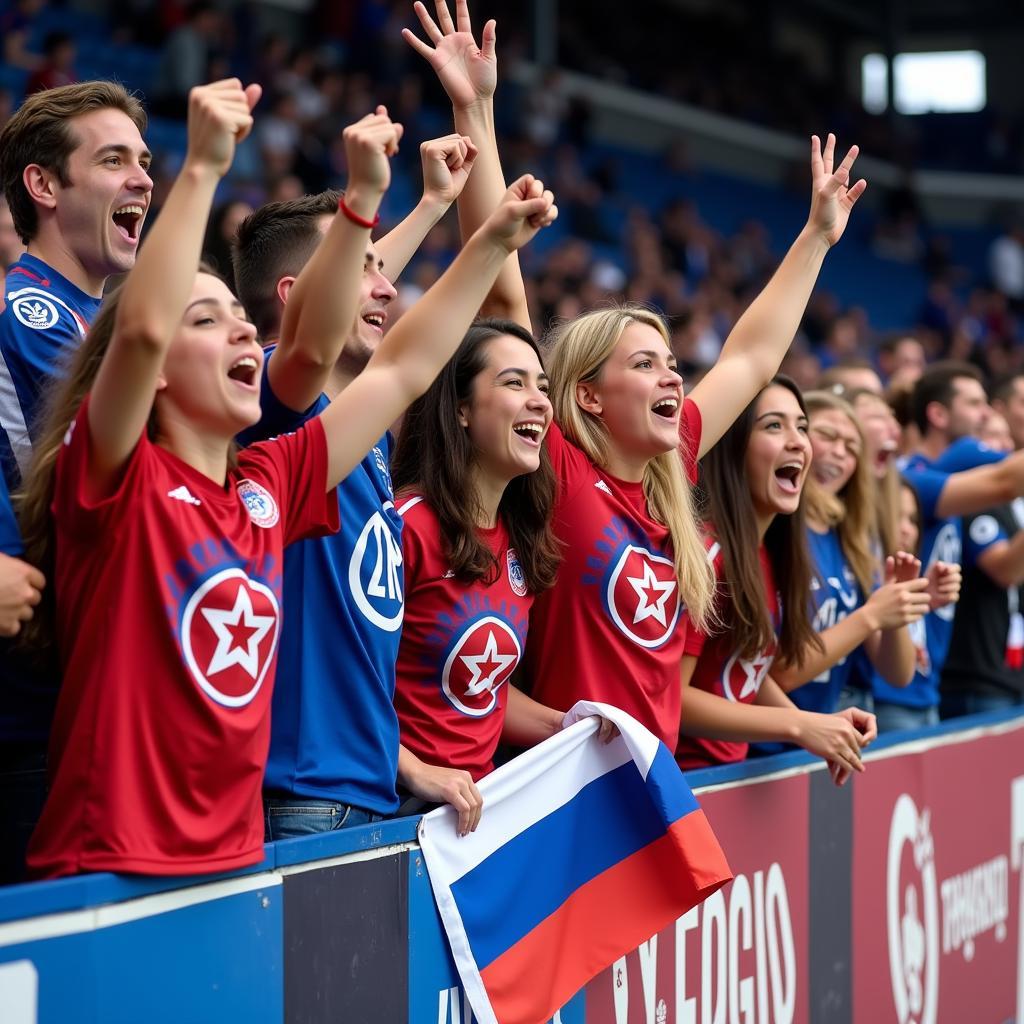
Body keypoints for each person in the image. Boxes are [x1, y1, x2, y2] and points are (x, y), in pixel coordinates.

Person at [18, 80, 557, 878]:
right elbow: (140, 331)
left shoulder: (270, 486)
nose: (241, 327)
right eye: (207, 320)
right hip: (113, 863)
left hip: (238, 860)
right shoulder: (112, 479)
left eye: (238, 318)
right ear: (154, 375)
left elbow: (407, 368)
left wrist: (489, 240)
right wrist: (201, 167)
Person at [404, 0, 870, 750]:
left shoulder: (672, 469)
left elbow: (753, 357)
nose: (674, 381)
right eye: (644, 364)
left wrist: (816, 238)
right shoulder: (555, 465)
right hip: (567, 795)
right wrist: (475, 108)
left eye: (674, 365)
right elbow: (501, 291)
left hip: (653, 792)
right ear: (586, 394)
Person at [234, 131, 510, 840]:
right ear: (303, 296)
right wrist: (485, 244)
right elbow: (390, 358)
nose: (387, 286)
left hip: (360, 789)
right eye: (363, 267)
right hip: (303, 795)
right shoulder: (272, 407)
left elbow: (394, 357)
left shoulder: (354, 430)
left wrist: (433, 204)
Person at [391, 319, 610, 833]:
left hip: (475, 818)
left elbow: (482, 689)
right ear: (461, 409)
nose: (539, 400)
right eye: (514, 383)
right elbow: (344, 686)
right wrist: (418, 771)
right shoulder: (407, 527)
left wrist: (565, 725)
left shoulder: (519, 539)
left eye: (542, 386)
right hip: (397, 813)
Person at [675, 376, 876, 780]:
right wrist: (798, 725)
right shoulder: (707, 554)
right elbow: (671, 697)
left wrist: (815, 725)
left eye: (802, 427)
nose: (798, 442)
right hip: (685, 781)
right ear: (733, 448)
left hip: (728, 775)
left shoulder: (766, 553)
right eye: (773, 426)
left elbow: (743, 668)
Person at [0, 81, 152, 490]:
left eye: (144, 162)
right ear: (44, 186)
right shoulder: (30, 313)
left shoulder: (94, 317)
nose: (144, 181)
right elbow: (137, 465)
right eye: (113, 161)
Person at [771, 390, 933, 714]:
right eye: (827, 436)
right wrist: (871, 615)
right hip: (766, 746)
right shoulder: (773, 530)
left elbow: (898, 673)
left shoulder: (852, 541)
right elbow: (781, 672)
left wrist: (894, 610)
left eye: (851, 448)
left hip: (824, 736)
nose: (839, 453)